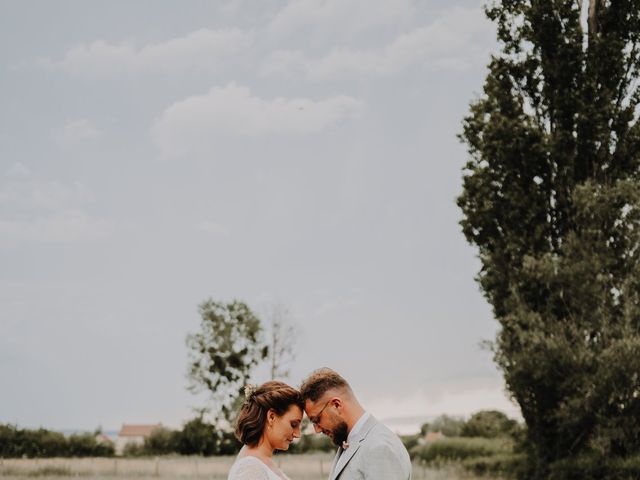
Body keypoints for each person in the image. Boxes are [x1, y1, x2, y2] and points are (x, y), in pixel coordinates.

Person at [300, 368, 412, 480]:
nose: (317, 430)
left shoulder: (380, 448)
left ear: (336, 405)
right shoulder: (350, 442)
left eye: (316, 420)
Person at [228, 381, 304, 480]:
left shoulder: (262, 462)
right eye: (293, 425)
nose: (297, 434)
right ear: (271, 417)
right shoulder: (249, 469)